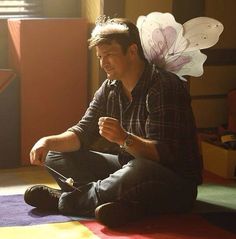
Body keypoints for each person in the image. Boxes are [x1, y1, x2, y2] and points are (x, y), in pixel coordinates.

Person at [24, 15, 202, 228]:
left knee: (139, 169)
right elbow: (82, 132)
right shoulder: (110, 87)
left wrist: (124, 138)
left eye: (109, 55)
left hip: (173, 182)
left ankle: (69, 201)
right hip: (128, 168)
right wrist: (47, 142)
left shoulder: (163, 86)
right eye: (100, 56)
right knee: (56, 155)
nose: (103, 63)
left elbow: (161, 155)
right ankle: (125, 206)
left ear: (133, 51)